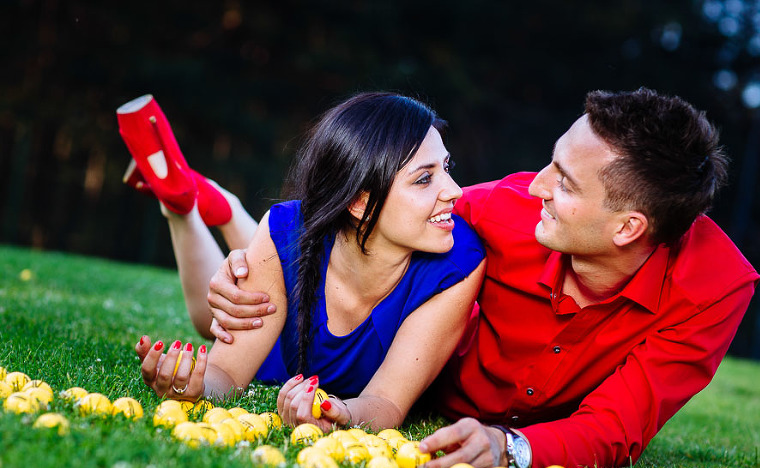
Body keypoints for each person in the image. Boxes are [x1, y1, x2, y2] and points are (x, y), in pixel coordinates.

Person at [208, 88, 759, 468]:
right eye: (551, 162)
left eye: (563, 183)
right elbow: (370, 217)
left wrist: (511, 449)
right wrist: (249, 263)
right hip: (416, 381)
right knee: (263, 330)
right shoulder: (499, 208)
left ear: (628, 227)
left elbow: (619, 423)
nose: (535, 185)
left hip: (520, 424)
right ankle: (219, 211)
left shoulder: (714, 289)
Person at [117, 92, 486, 431]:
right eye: (424, 179)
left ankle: (223, 207)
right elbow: (224, 374)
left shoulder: (458, 263)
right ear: (359, 202)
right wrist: (191, 383)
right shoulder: (286, 228)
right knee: (209, 318)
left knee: (216, 309)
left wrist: (342, 413)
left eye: (447, 168)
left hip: (307, 279)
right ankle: (183, 209)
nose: (454, 191)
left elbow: (387, 402)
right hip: (275, 351)